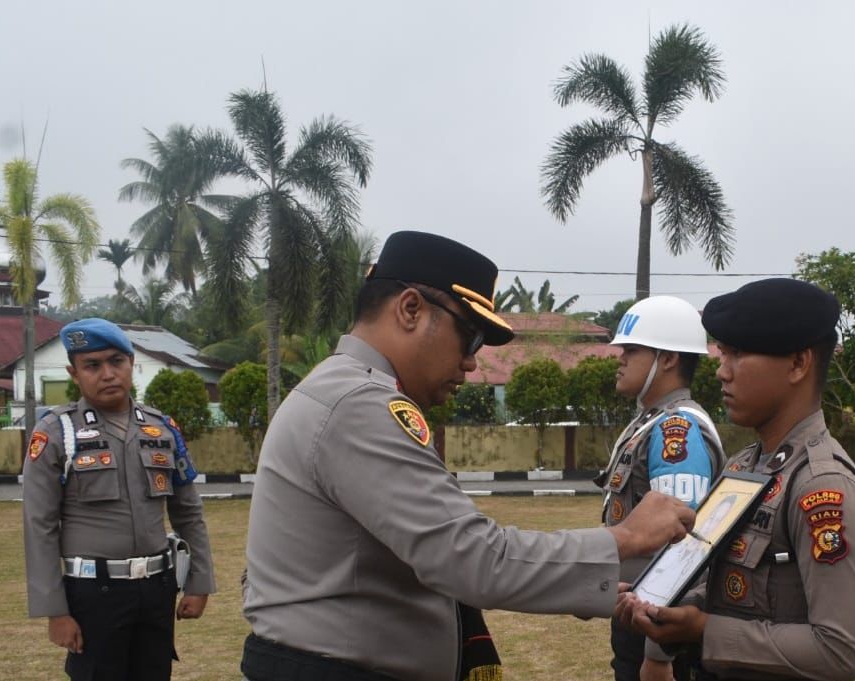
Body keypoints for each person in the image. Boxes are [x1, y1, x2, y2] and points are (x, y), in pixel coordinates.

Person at [240, 231, 696, 681]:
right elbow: (473, 557)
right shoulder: (359, 403)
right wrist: (625, 537)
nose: (472, 362)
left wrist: (584, 580)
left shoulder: (342, 390)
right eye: (470, 337)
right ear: (411, 309)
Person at [621, 278, 855, 681]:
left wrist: (705, 631)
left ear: (797, 363)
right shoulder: (744, 467)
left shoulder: (822, 485)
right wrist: (670, 613)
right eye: (723, 354)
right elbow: (731, 588)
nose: (722, 372)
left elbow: (840, 650)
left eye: (738, 354)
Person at [22, 318, 216, 681]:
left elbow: (189, 512)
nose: (107, 373)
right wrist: (55, 611)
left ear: (131, 362)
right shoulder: (56, 433)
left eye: (116, 361)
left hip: (157, 589)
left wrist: (199, 581)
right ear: (74, 373)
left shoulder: (162, 429)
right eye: (92, 366)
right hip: (93, 594)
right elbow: (40, 526)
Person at [598, 295, 725, 681]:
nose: (619, 357)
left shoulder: (678, 431)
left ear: (668, 359)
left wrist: (658, 653)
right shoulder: (651, 422)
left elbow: (684, 546)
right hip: (638, 613)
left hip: (660, 625)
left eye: (632, 349)